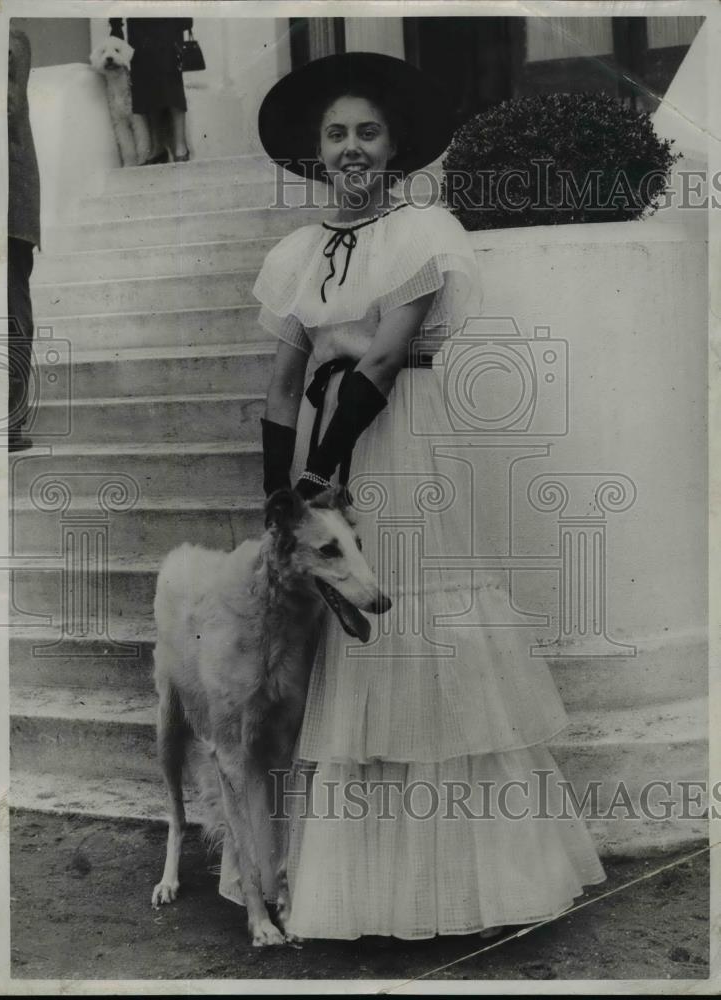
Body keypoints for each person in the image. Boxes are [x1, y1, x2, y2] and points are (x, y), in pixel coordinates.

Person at [233, 52, 607, 941]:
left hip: (402, 446)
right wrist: (282, 501)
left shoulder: (423, 232)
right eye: (336, 135)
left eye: (367, 132)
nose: (352, 148)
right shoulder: (295, 256)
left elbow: (382, 357)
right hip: (330, 453)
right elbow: (285, 384)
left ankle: (469, 882)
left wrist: (327, 469)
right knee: (344, 648)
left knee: (415, 622)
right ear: (316, 154)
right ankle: (339, 883)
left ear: (393, 145)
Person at [7, 25, 41, 453]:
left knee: (12, 316)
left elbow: (8, 106)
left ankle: (9, 423)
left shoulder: (10, 40)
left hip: (10, 207)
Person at [109, 17, 192, 163]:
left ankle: (181, 146)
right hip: (138, 21)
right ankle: (158, 147)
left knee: (172, 80)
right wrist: (115, 24)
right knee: (146, 82)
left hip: (168, 17)